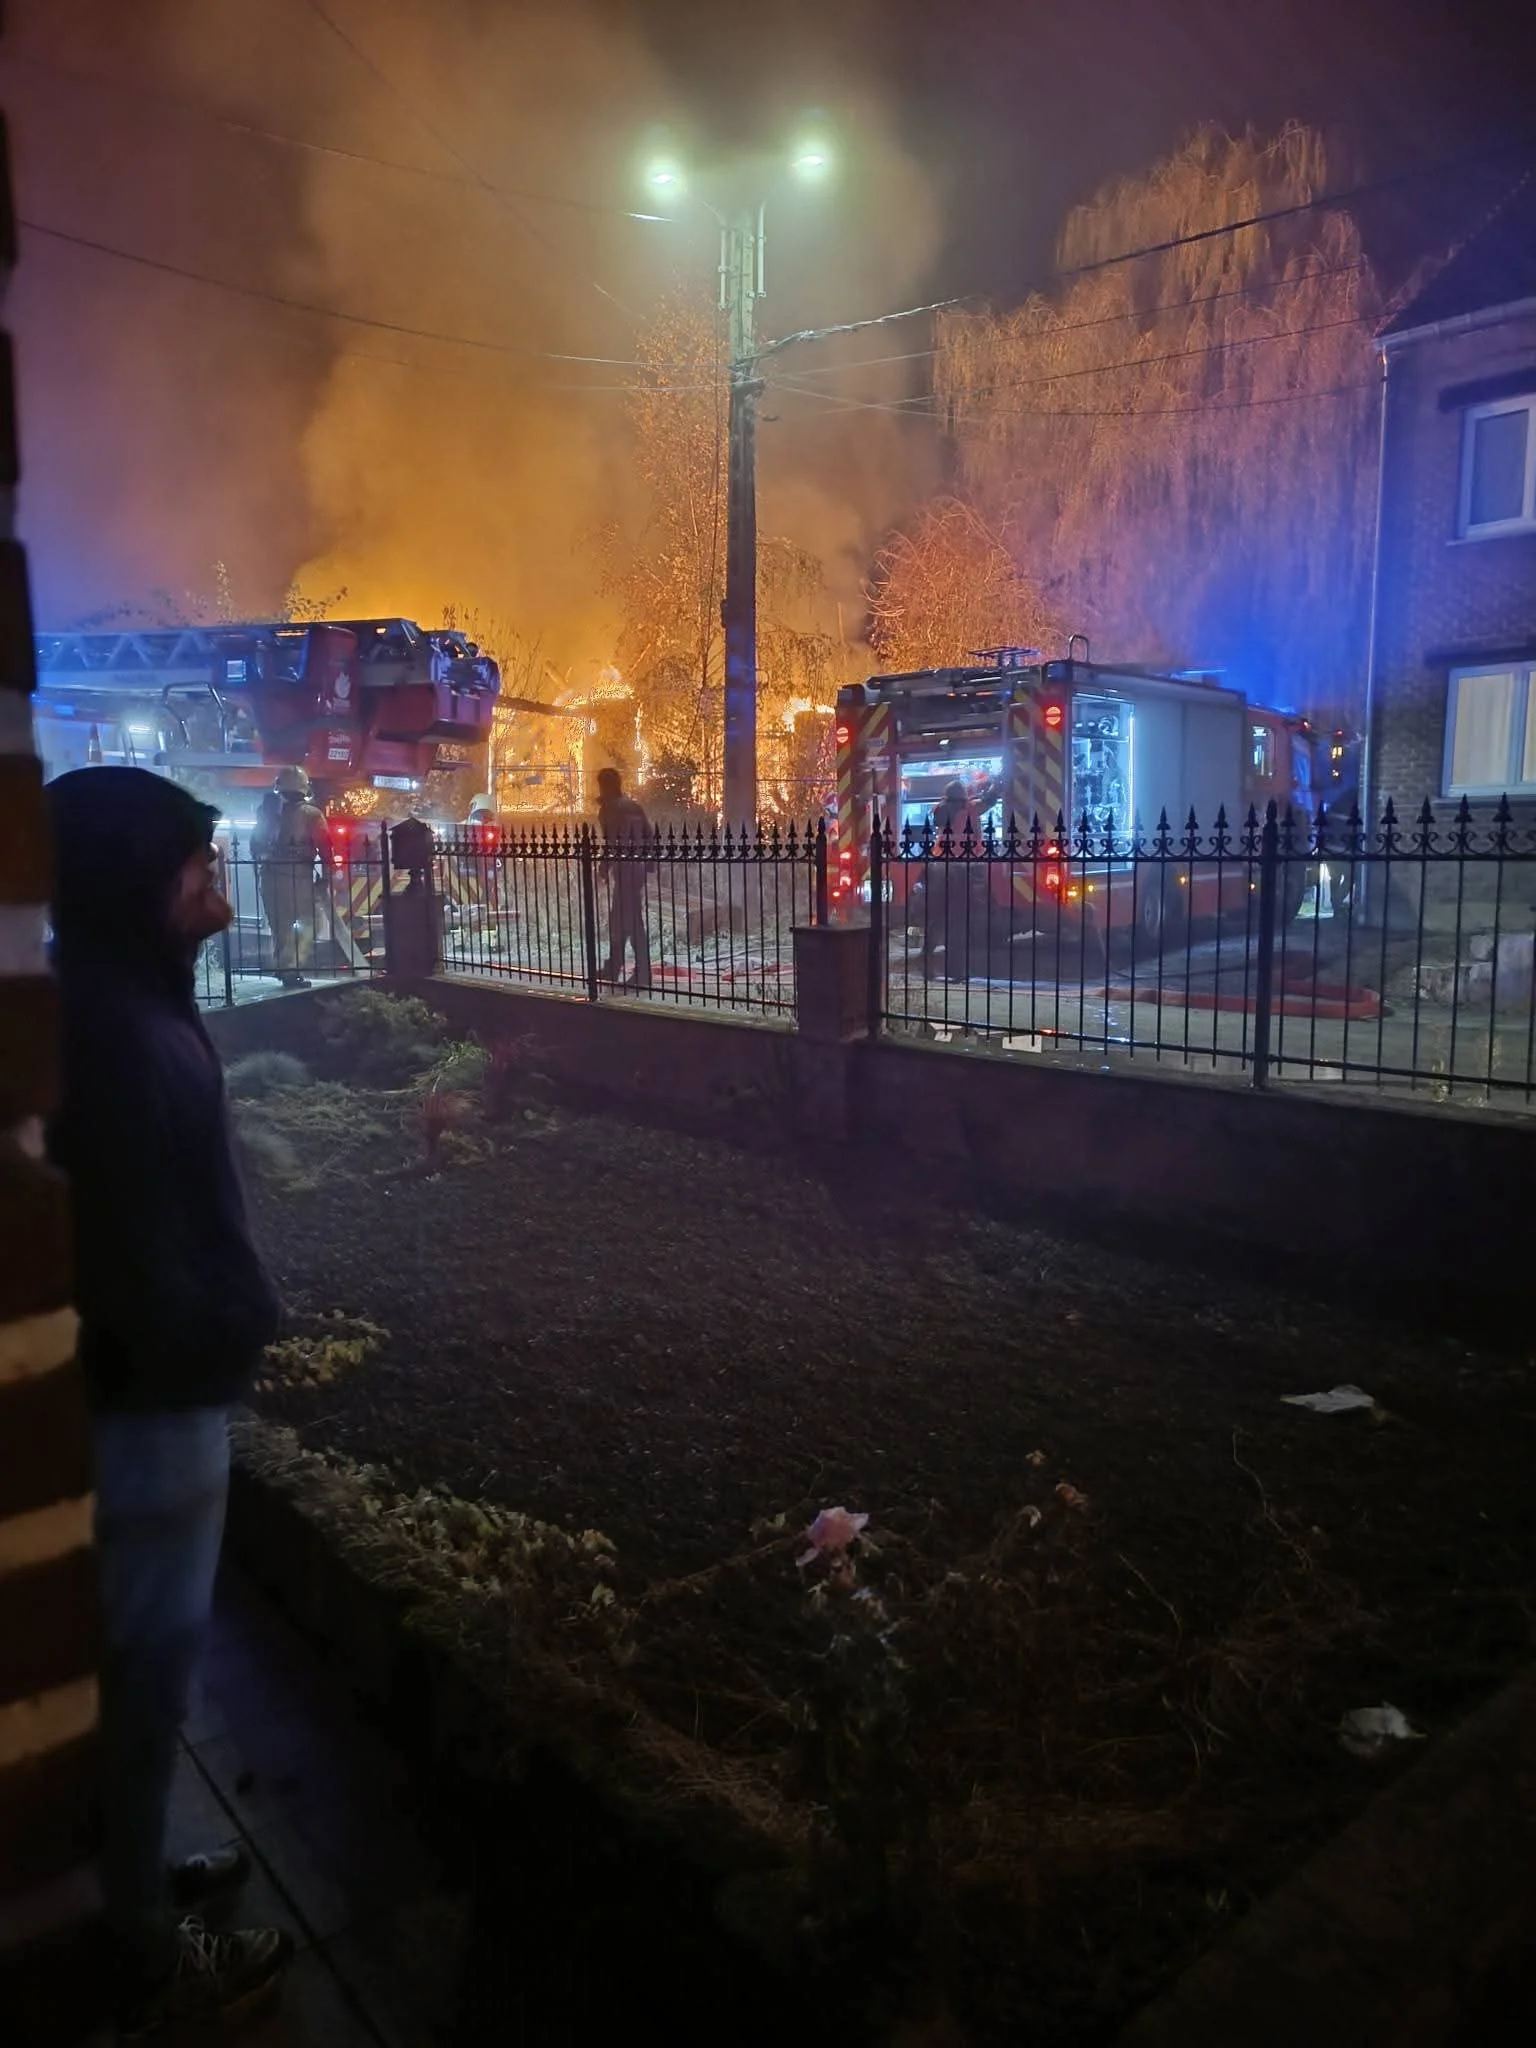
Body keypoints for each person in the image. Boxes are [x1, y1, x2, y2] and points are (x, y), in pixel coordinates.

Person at [45, 767, 291, 2038]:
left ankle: (131, 1865)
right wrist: (229, 1326)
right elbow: (138, 1257)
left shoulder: (120, 1001)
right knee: (146, 1675)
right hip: (153, 1417)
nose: (216, 876)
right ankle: (139, 1945)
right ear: (129, 880)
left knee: (148, 1672)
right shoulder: (118, 1036)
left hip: (158, 1402)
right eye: (193, 859)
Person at [258, 765, 330, 988]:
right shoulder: (312, 815)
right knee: (312, 922)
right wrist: (325, 877)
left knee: (279, 925)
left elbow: (256, 845)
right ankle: (290, 970)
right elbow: (326, 849)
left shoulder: (266, 812)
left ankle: (283, 966)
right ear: (304, 788)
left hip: (269, 877)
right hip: (298, 878)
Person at [595, 765, 653, 991]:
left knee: (631, 922)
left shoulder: (610, 809)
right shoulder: (634, 806)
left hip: (623, 869)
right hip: (636, 870)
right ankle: (615, 967)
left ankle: (641, 972)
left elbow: (611, 843)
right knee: (622, 919)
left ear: (604, 785)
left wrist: (602, 870)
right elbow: (649, 836)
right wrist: (647, 865)